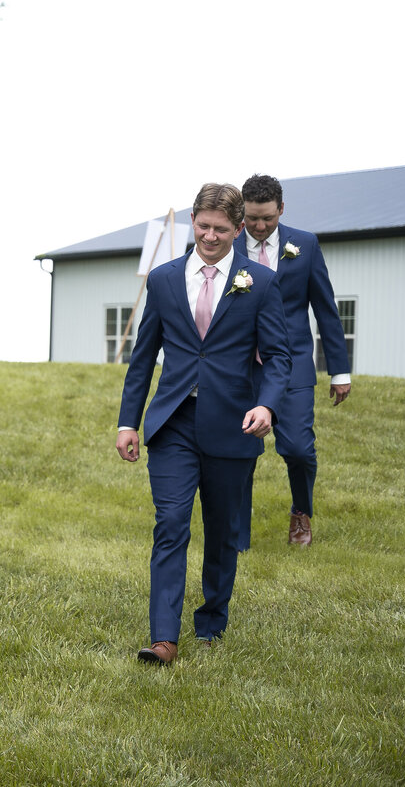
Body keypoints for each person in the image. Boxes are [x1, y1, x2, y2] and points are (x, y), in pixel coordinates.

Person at [116, 183, 290, 665]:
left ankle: (211, 622)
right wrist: (128, 422)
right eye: (203, 226)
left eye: (221, 229)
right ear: (192, 221)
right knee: (170, 524)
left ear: (238, 229)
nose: (210, 237)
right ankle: (163, 639)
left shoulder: (261, 282)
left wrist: (267, 407)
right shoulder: (164, 279)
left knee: (221, 531)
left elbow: (279, 357)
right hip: (173, 422)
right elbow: (143, 357)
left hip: (234, 424)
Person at [237, 174, 350, 548]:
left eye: (267, 218)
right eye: (252, 218)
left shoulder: (305, 245)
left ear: (281, 209)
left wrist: (339, 370)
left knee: (299, 448)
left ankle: (301, 511)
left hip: (294, 364)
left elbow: (325, 309)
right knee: (239, 451)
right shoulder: (226, 245)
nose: (259, 226)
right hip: (241, 367)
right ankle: (237, 530)